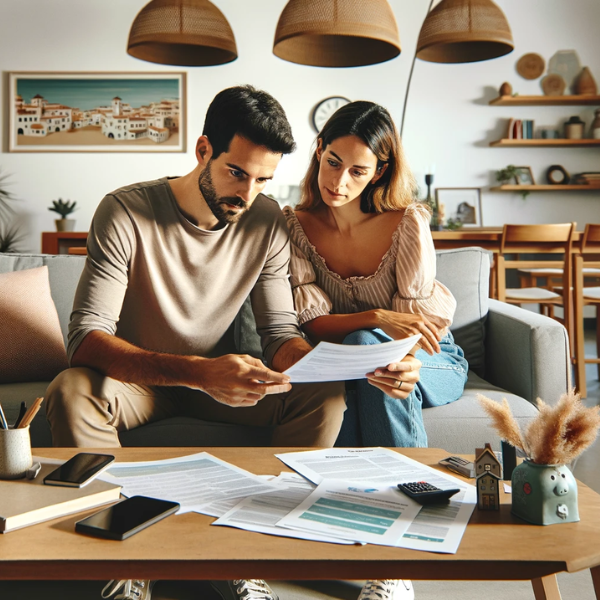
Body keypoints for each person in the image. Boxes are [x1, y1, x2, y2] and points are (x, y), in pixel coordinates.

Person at [45, 85, 346, 600]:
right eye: (237, 172)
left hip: (222, 381)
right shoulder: (125, 210)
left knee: (325, 394)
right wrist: (197, 372)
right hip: (136, 382)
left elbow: (278, 334)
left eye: (263, 180)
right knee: (73, 388)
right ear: (203, 150)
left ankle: (255, 549)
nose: (247, 194)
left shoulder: (267, 220)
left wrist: (334, 364)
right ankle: (127, 561)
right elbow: (86, 339)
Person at [283, 101, 469, 600]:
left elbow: (415, 330)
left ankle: (396, 564)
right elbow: (313, 322)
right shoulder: (295, 226)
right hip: (358, 359)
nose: (340, 181)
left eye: (358, 170)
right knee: (364, 351)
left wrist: (396, 349)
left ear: (380, 170)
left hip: (431, 357)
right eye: (333, 162)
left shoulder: (407, 223)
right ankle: (372, 535)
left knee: (373, 352)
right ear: (318, 151)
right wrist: (376, 317)